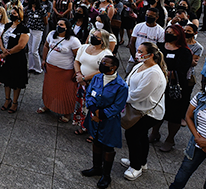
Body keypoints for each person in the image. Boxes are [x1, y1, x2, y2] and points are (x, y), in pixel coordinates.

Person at [121, 42, 167, 181]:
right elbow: (129, 82)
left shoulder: (154, 73)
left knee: (132, 134)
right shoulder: (140, 65)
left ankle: (136, 167)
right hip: (138, 109)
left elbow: (139, 94)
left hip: (149, 112)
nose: (138, 53)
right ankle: (141, 161)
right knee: (141, 136)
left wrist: (122, 99)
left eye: (141, 51)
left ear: (151, 55)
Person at [81, 55, 128, 189]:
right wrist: (94, 109)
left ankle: (106, 175)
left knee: (108, 146)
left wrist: (100, 115)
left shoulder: (121, 86)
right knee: (96, 140)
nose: (102, 64)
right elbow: (89, 94)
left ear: (113, 68)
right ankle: (96, 167)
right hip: (94, 115)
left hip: (109, 121)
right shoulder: (96, 78)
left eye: (105, 63)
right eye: (101, 62)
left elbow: (118, 106)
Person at [151, 24, 194, 152]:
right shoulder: (159, 47)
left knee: (174, 114)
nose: (169, 34)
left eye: (172, 33)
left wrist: (162, 72)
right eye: (167, 31)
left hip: (175, 87)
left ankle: (170, 139)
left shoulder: (184, 52)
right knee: (157, 110)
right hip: (158, 86)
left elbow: (181, 70)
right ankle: (155, 132)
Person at [38, 18, 81, 123]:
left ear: (67, 27)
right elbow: (46, 46)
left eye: (61, 25)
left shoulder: (73, 41)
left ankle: (67, 112)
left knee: (66, 92)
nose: (58, 26)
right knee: (49, 88)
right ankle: (47, 105)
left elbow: (78, 57)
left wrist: (77, 71)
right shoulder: (52, 34)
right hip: (51, 68)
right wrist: (44, 59)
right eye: (57, 24)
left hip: (65, 71)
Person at [73, 29, 113, 137]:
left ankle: (93, 131)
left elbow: (103, 70)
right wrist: (78, 74)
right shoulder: (84, 47)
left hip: (95, 85)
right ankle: (83, 126)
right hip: (81, 82)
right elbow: (76, 61)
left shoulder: (106, 54)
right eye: (92, 35)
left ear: (102, 40)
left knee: (93, 108)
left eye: (96, 37)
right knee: (82, 106)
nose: (93, 38)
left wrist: (85, 77)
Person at [0, 6, 29, 113]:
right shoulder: (7, 25)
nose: (12, 15)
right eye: (12, 13)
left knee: (16, 81)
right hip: (6, 56)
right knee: (6, 80)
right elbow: (0, 38)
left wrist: (7, 53)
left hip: (17, 58)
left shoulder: (24, 28)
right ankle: (7, 100)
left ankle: (15, 102)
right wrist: (2, 49)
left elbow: (21, 45)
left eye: (15, 13)